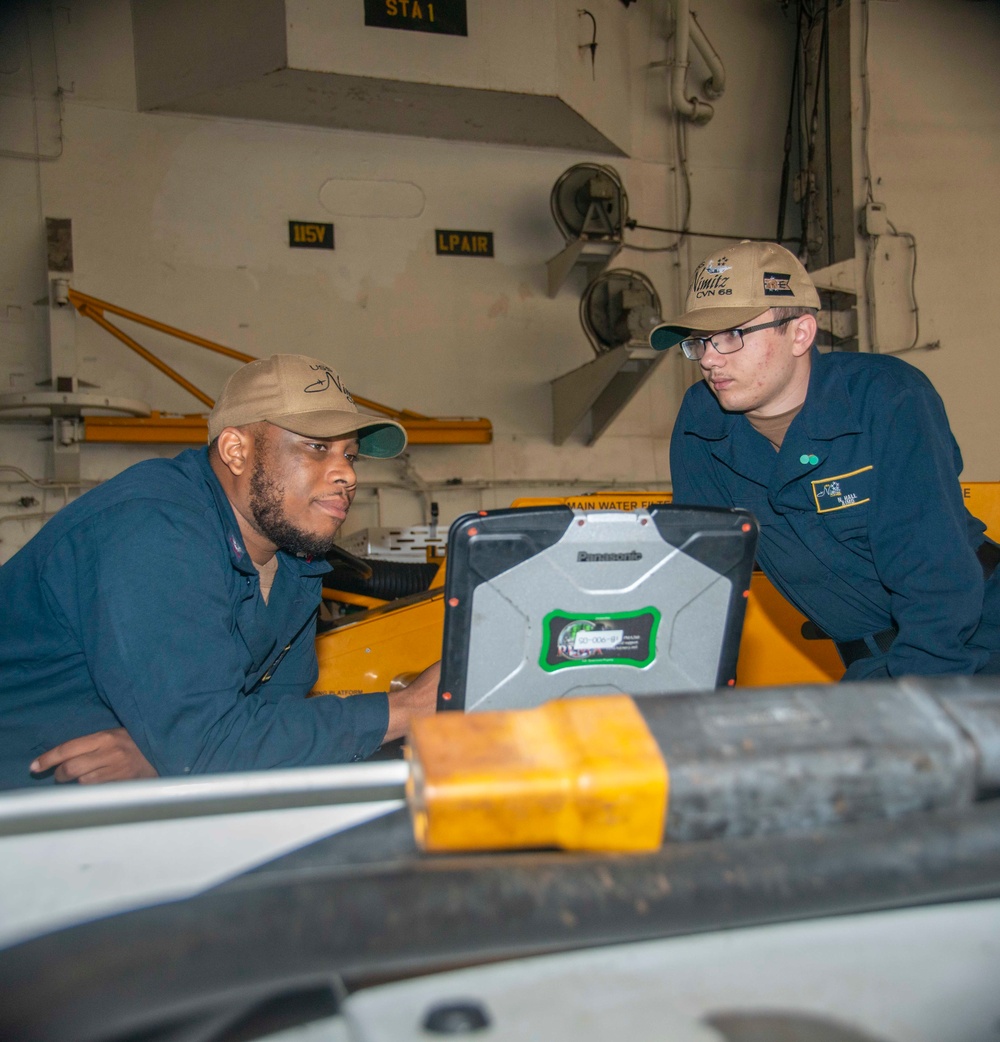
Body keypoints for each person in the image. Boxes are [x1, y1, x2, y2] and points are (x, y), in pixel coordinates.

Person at [0, 353, 439, 788]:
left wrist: (166, 753)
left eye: (350, 455)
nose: (346, 473)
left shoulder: (293, 561)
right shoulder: (152, 528)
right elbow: (209, 746)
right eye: (317, 447)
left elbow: (261, 724)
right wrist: (410, 707)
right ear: (235, 450)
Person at [652, 239, 1000, 680]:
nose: (710, 360)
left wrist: (922, 702)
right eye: (699, 342)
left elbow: (933, 573)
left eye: (732, 335)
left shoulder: (889, 399)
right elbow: (701, 574)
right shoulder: (700, 424)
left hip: (974, 638)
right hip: (871, 662)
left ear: (800, 333)